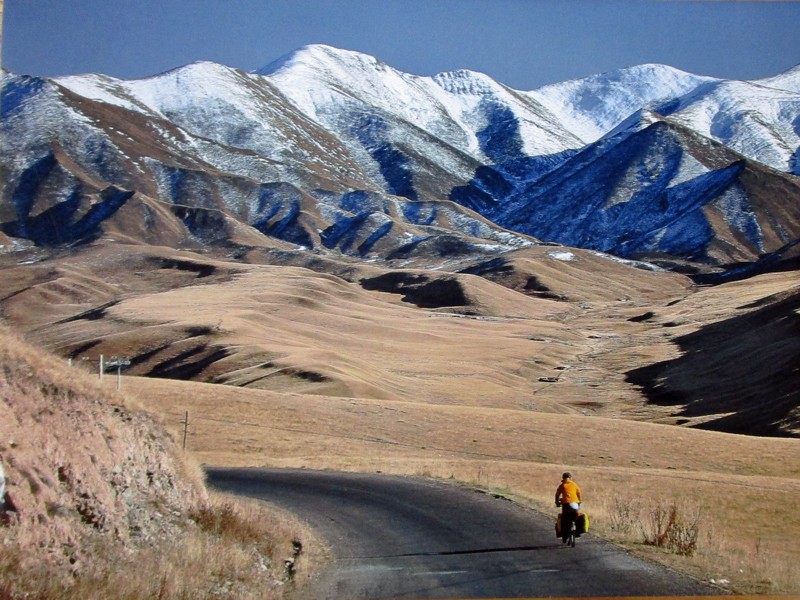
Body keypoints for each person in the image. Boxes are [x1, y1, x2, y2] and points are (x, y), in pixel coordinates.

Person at [555, 472, 582, 541]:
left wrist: (557, 502)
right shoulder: (574, 484)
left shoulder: (562, 485)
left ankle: (564, 535)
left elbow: (557, 495)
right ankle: (577, 532)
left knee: (564, 519)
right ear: (570, 478)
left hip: (566, 504)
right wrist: (579, 501)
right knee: (577, 516)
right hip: (575, 503)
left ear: (563, 478)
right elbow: (579, 493)